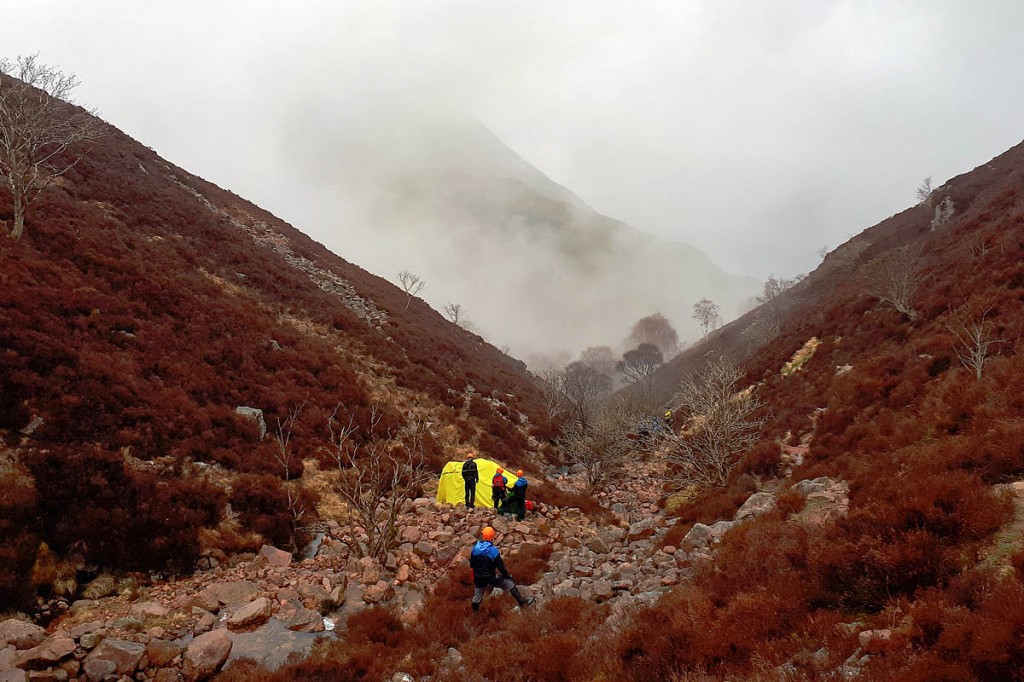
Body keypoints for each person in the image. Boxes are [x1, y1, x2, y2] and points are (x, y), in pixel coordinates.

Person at [469, 526, 534, 611]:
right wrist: (507, 576)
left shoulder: (475, 548)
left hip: (478, 578)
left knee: (478, 594)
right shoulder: (493, 551)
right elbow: (501, 568)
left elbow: (472, 565)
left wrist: (474, 577)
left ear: (483, 535)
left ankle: (474, 613)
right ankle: (522, 603)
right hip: (491, 578)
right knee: (509, 583)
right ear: (492, 537)